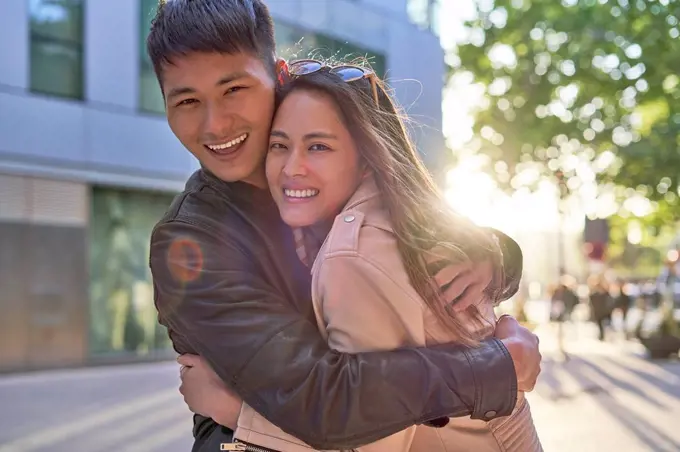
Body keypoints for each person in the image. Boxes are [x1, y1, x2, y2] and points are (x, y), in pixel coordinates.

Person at [146, 1, 541, 451]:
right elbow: (317, 395)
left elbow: (426, 218)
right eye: (187, 101)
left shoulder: (336, 144)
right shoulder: (193, 239)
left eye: (233, 89)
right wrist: (494, 369)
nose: (215, 124)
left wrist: (493, 254)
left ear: (278, 75)